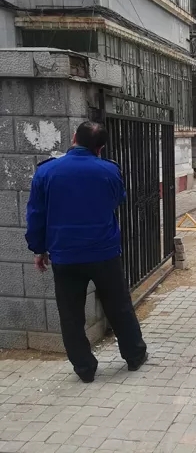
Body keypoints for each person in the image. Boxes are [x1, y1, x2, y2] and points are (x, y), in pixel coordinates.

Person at [25, 121, 147, 383]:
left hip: (65, 255)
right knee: (119, 307)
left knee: (70, 315)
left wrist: (38, 249)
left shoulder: (47, 172)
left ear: (73, 138)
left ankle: (84, 368)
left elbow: (36, 214)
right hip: (104, 253)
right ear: (100, 148)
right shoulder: (109, 170)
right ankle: (135, 356)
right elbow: (118, 199)